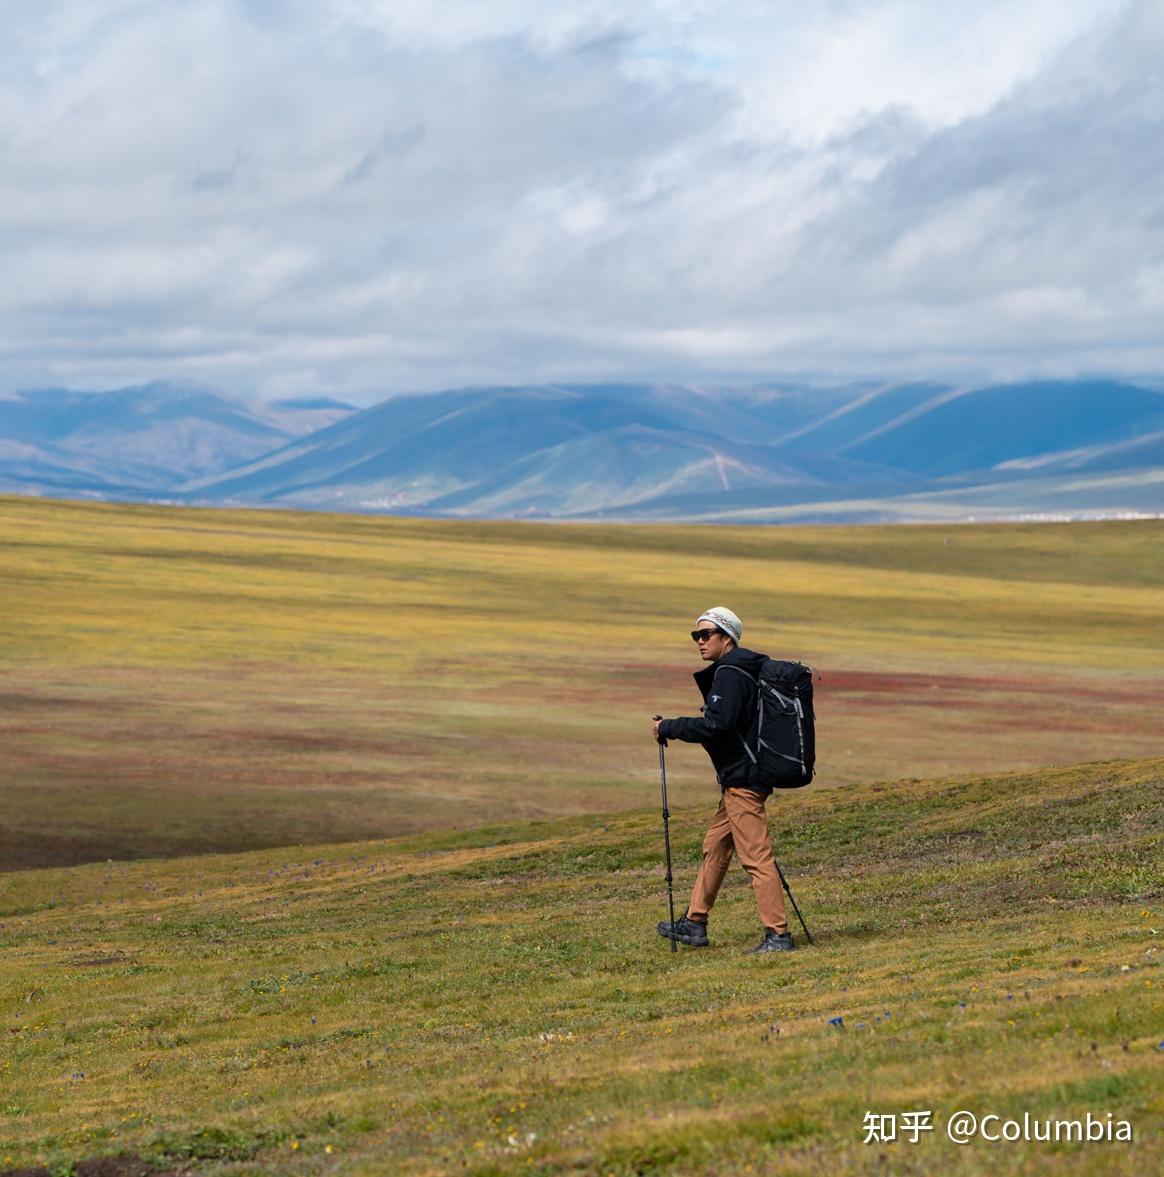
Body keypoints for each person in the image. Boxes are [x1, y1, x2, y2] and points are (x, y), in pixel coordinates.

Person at [652, 606, 794, 954]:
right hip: (740, 778)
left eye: (706, 634)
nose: (699, 641)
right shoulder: (742, 669)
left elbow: (718, 724)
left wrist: (669, 726)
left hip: (744, 781)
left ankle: (778, 935)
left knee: (757, 858)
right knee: (715, 846)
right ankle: (694, 923)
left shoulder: (730, 672)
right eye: (696, 635)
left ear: (726, 637)